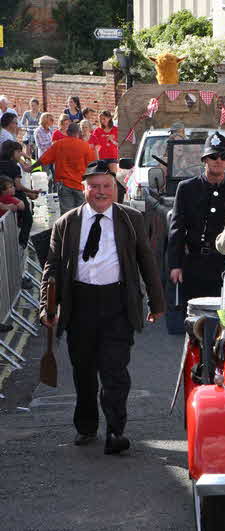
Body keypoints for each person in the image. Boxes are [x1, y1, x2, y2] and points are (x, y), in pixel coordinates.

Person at [39, 160, 165, 454]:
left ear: (115, 189)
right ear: (83, 189)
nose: (101, 192)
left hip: (117, 304)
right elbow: (53, 267)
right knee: (83, 372)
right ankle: (86, 426)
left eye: (106, 186)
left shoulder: (131, 220)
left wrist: (158, 303)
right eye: (94, 186)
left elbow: (147, 261)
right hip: (79, 305)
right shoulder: (66, 223)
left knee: (115, 371)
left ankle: (115, 431)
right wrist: (48, 305)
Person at [168, 132, 225, 309]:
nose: (218, 160)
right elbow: (177, 228)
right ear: (204, 160)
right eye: (213, 156)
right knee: (196, 321)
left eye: (223, 156)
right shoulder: (187, 188)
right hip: (196, 263)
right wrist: (175, 265)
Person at [32, 122, 96, 213]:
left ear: (67, 132)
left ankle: (68, 227)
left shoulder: (59, 144)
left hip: (64, 184)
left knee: (67, 214)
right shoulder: (85, 146)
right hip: (80, 184)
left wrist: (31, 168)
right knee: (82, 213)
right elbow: (92, 166)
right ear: (78, 132)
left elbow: (44, 159)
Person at [0, 140, 38, 247]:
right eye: (19, 152)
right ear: (13, 152)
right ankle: (22, 244)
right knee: (28, 219)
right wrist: (31, 191)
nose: (20, 155)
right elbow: (18, 186)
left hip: (2, 197)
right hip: (14, 196)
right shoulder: (14, 166)